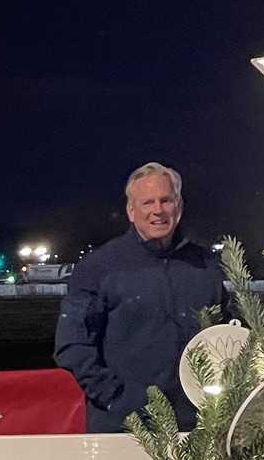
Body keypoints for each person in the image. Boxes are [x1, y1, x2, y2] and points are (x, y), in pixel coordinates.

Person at [54, 162, 228, 435]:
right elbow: (72, 345)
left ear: (179, 205)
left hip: (197, 428)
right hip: (124, 429)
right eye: (148, 202)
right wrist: (116, 400)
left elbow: (229, 334)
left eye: (166, 200)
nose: (158, 210)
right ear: (131, 210)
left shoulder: (205, 265)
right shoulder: (98, 267)